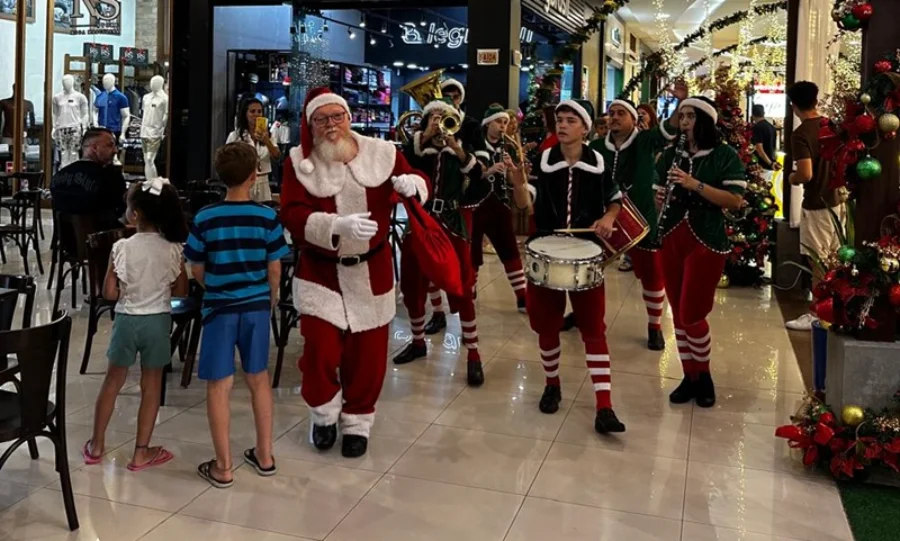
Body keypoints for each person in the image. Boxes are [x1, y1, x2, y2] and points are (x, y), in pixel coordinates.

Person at [280, 88, 429, 458]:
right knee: (320, 350)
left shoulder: (382, 153)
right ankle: (324, 414)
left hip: (372, 271)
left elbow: (416, 179)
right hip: (321, 273)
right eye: (322, 119)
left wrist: (416, 186)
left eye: (337, 117)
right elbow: (291, 213)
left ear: (349, 117)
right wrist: (333, 225)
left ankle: (357, 422)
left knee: (368, 356)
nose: (331, 126)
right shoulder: (299, 161)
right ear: (310, 124)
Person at [509, 99, 627, 434]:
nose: (562, 125)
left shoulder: (598, 161)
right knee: (546, 325)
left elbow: (614, 199)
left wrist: (607, 217)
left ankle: (604, 406)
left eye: (570, 120)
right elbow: (525, 204)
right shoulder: (542, 160)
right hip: (546, 248)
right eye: (559, 120)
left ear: (585, 127)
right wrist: (518, 183)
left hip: (587, 252)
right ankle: (552, 384)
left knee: (593, 328)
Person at [185, 142, 290, 487]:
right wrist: (271, 296)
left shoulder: (205, 218)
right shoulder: (267, 217)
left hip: (219, 307)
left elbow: (195, 265)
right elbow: (275, 266)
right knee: (258, 379)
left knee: (219, 384)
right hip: (256, 305)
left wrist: (213, 285)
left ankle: (224, 465)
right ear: (253, 174)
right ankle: (265, 453)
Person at [83, 178, 188, 471]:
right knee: (151, 385)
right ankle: (141, 451)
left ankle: (96, 444)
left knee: (112, 381)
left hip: (127, 320)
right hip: (157, 322)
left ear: (136, 214)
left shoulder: (121, 247)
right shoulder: (173, 248)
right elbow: (181, 291)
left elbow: (109, 293)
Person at [654, 95, 747, 408]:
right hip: (670, 236)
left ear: (705, 121)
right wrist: (660, 197)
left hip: (706, 239)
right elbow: (657, 191)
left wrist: (694, 185)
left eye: (691, 116)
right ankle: (689, 376)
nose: (684, 122)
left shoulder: (724, 155)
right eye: (682, 116)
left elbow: (735, 200)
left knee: (693, 313)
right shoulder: (671, 155)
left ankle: (704, 375)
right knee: (678, 314)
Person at [393, 96, 487, 387]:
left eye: (442, 117)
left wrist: (458, 150)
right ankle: (418, 341)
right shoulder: (416, 150)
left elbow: (480, 179)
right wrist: (424, 139)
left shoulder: (460, 150)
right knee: (412, 283)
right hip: (421, 224)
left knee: (462, 285)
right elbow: (401, 170)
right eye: (432, 117)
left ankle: (473, 354)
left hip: (452, 225)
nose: (438, 123)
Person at [586, 93, 685, 350]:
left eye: (621, 113)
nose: (614, 117)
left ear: (634, 119)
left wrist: (681, 102)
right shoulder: (595, 148)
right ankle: (583, 314)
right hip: (604, 218)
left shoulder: (645, 140)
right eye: (612, 113)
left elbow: (671, 126)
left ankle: (654, 327)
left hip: (641, 222)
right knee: (590, 270)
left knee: (652, 274)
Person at [785, 81, 843, 331]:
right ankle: (835, 308)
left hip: (817, 202)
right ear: (816, 100)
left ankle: (818, 314)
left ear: (793, 106)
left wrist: (791, 177)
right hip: (838, 201)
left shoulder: (801, 134)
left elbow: (806, 173)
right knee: (834, 259)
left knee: (817, 261)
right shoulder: (832, 126)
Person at [469, 104, 527, 312]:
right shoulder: (475, 144)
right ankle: (470, 291)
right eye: (498, 122)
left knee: (509, 249)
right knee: (473, 251)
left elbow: (513, 182)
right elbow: (470, 173)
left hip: (499, 203)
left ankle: (522, 296)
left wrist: (511, 169)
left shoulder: (506, 148)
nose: (503, 127)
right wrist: (490, 169)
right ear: (487, 123)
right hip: (476, 203)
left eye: (505, 123)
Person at [50, 128, 127, 230]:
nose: (115, 150)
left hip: (66, 243)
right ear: (94, 148)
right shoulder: (110, 177)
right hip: (104, 241)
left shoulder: (58, 177)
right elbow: (121, 212)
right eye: (110, 145)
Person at [227, 98, 282, 202]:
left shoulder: (269, 136)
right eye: (252, 111)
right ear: (245, 114)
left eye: (259, 111)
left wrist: (267, 141)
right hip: (242, 182)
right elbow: (227, 160)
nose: (256, 115)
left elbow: (277, 157)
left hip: (263, 181)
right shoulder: (235, 136)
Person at [441, 78, 481, 147]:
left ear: (460, 99)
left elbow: (481, 154)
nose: (452, 101)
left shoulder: (473, 124)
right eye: (447, 97)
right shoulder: (433, 121)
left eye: (456, 97)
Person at [751, 104, 781, 172]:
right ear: (764, 113)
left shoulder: (757, 128)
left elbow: (759, 149)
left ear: (752, 115)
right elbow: (773, 147)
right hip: (771, 162)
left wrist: (770, 163)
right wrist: (772, 162)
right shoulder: (772, 127)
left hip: (761, 165)